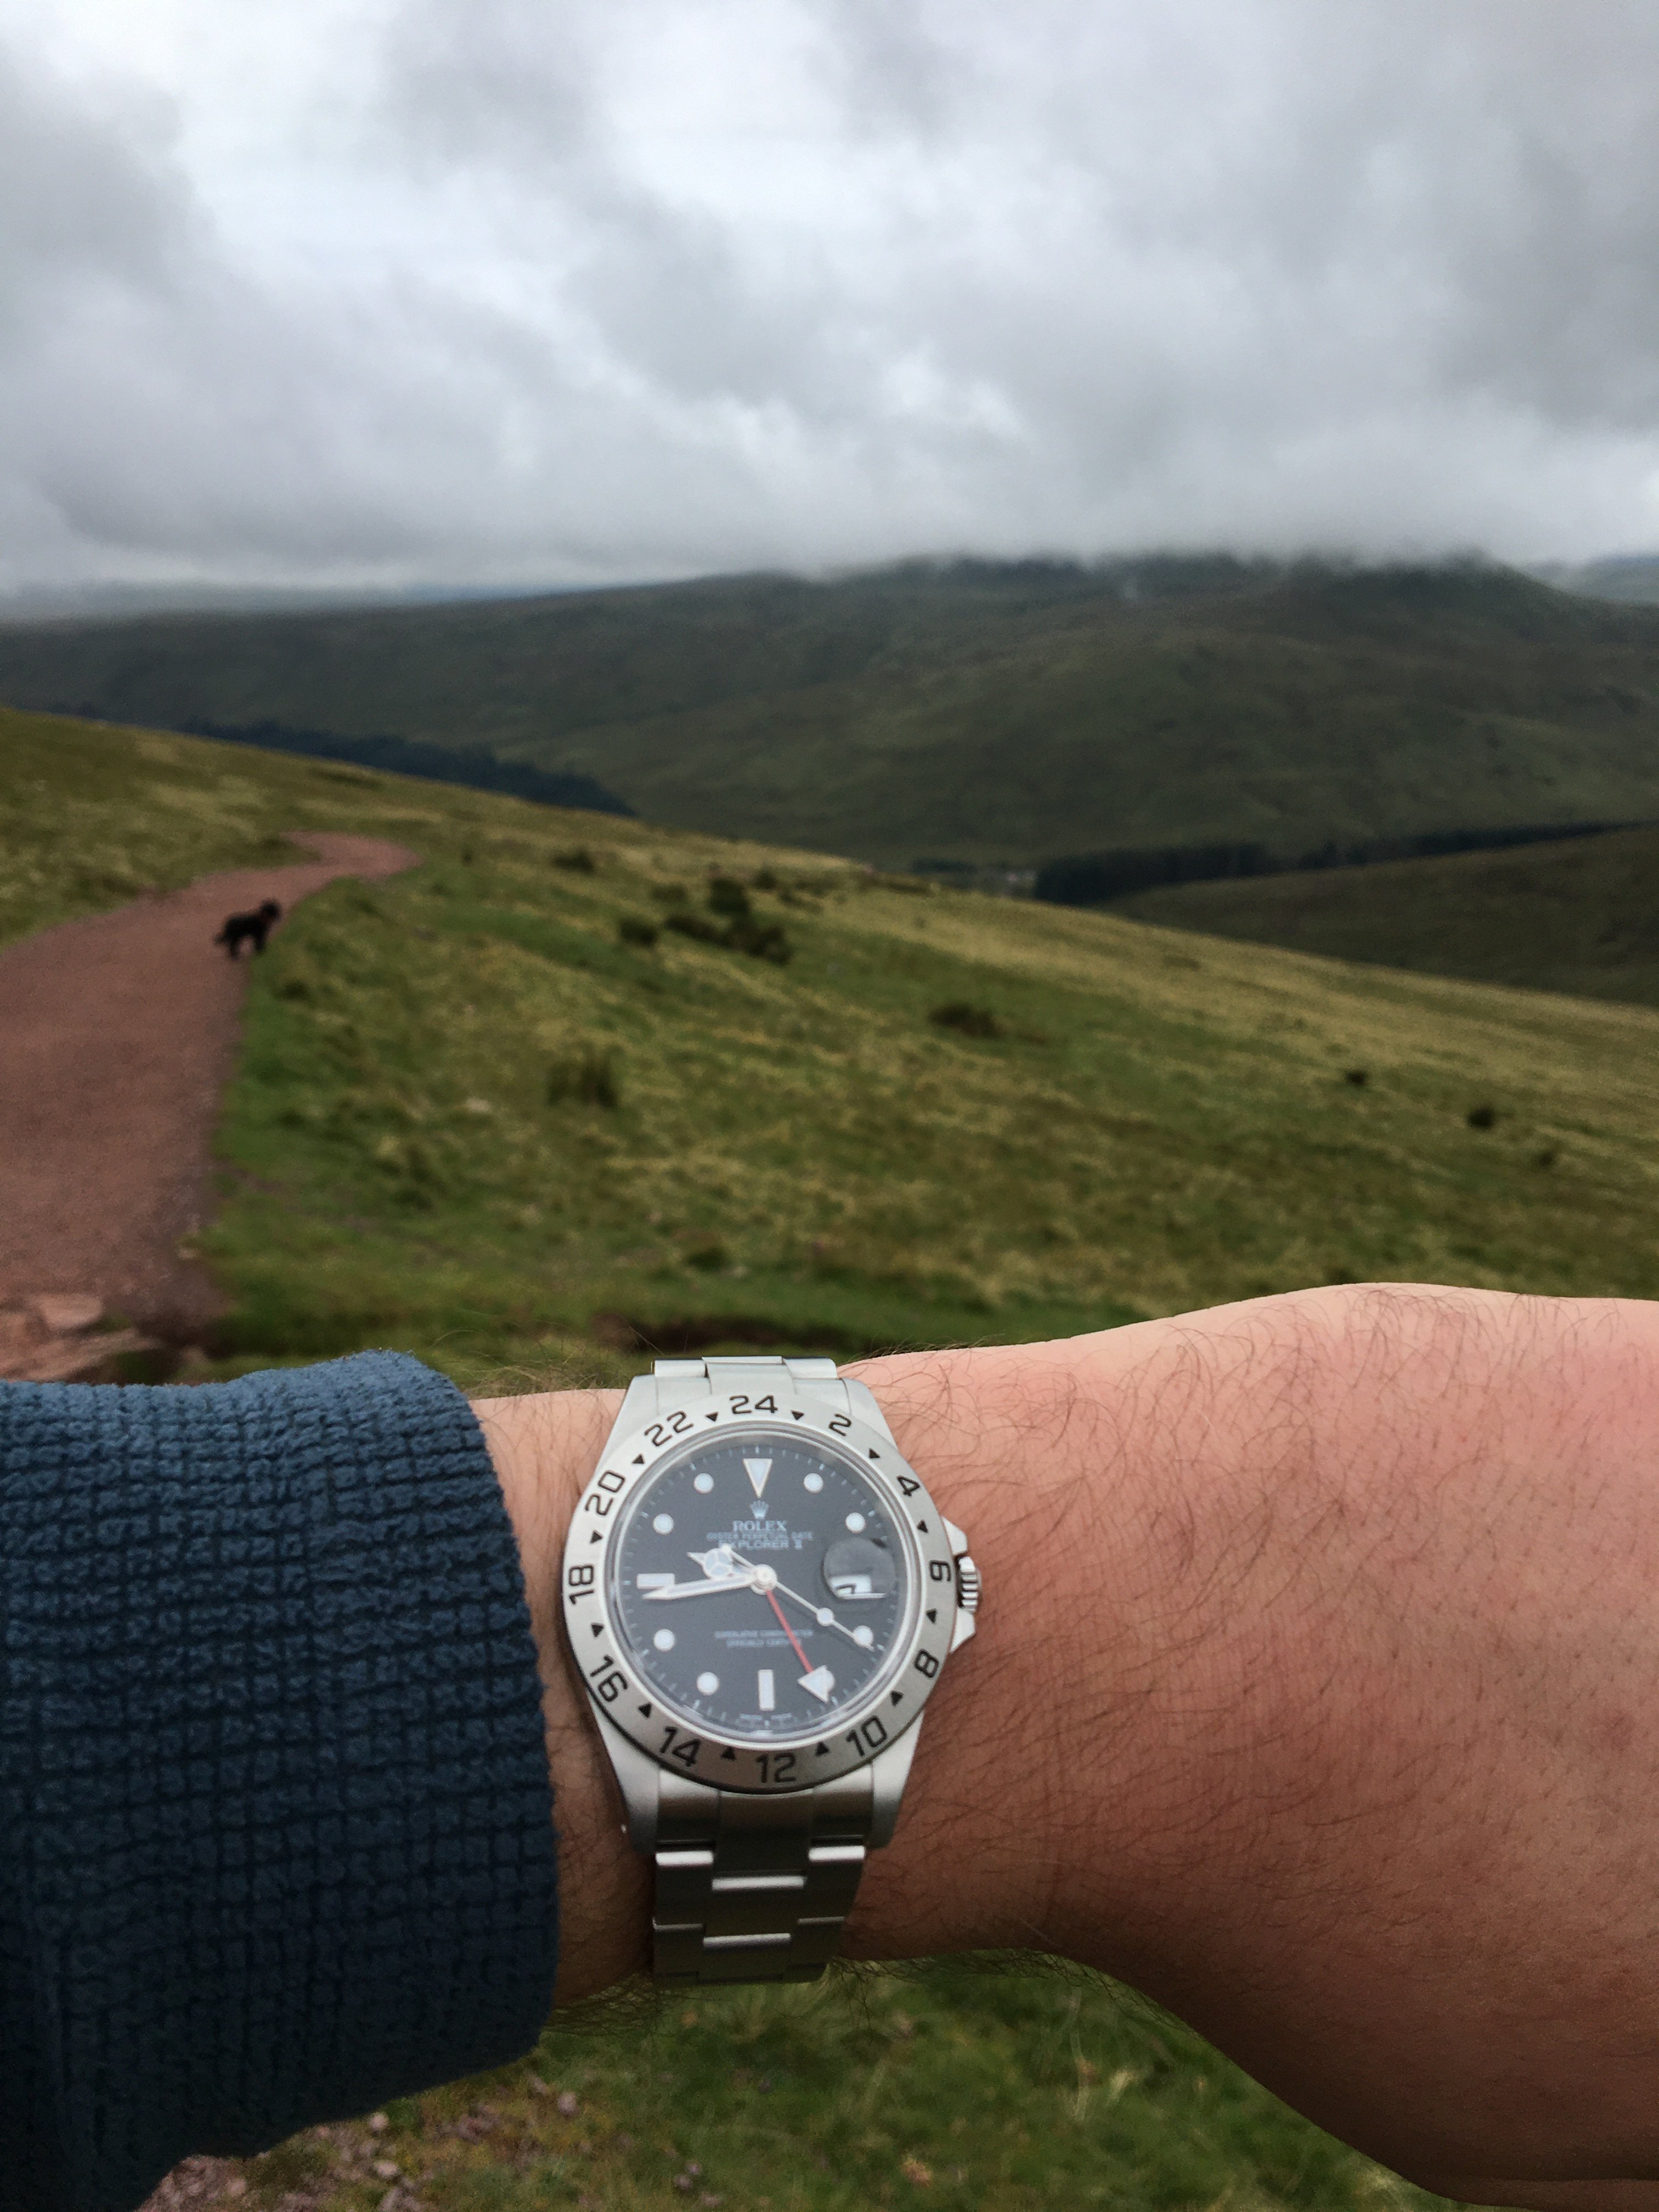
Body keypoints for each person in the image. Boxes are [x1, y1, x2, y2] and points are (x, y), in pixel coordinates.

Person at [6, 1283, 1659, 2212]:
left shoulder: (868, 1582)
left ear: (946, 1596)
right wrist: (1173, 1611)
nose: (753, 1585)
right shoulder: (673, 1551)